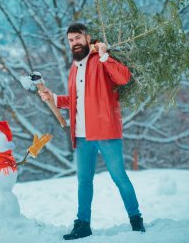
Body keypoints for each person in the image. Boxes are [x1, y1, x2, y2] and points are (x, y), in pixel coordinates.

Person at [38, 23, 145, 240]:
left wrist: (105, 57)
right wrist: (54, 98)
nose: (74, 43)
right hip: (81, 134)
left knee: (119, 177)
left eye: (78, 38)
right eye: (70, 40)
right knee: (84, 181)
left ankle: (136, 221)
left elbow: (124, 78)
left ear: (87, 38)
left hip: (106, 130)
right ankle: (83, 224)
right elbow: (76, 100)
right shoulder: (74, 67)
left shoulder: (101, 60)